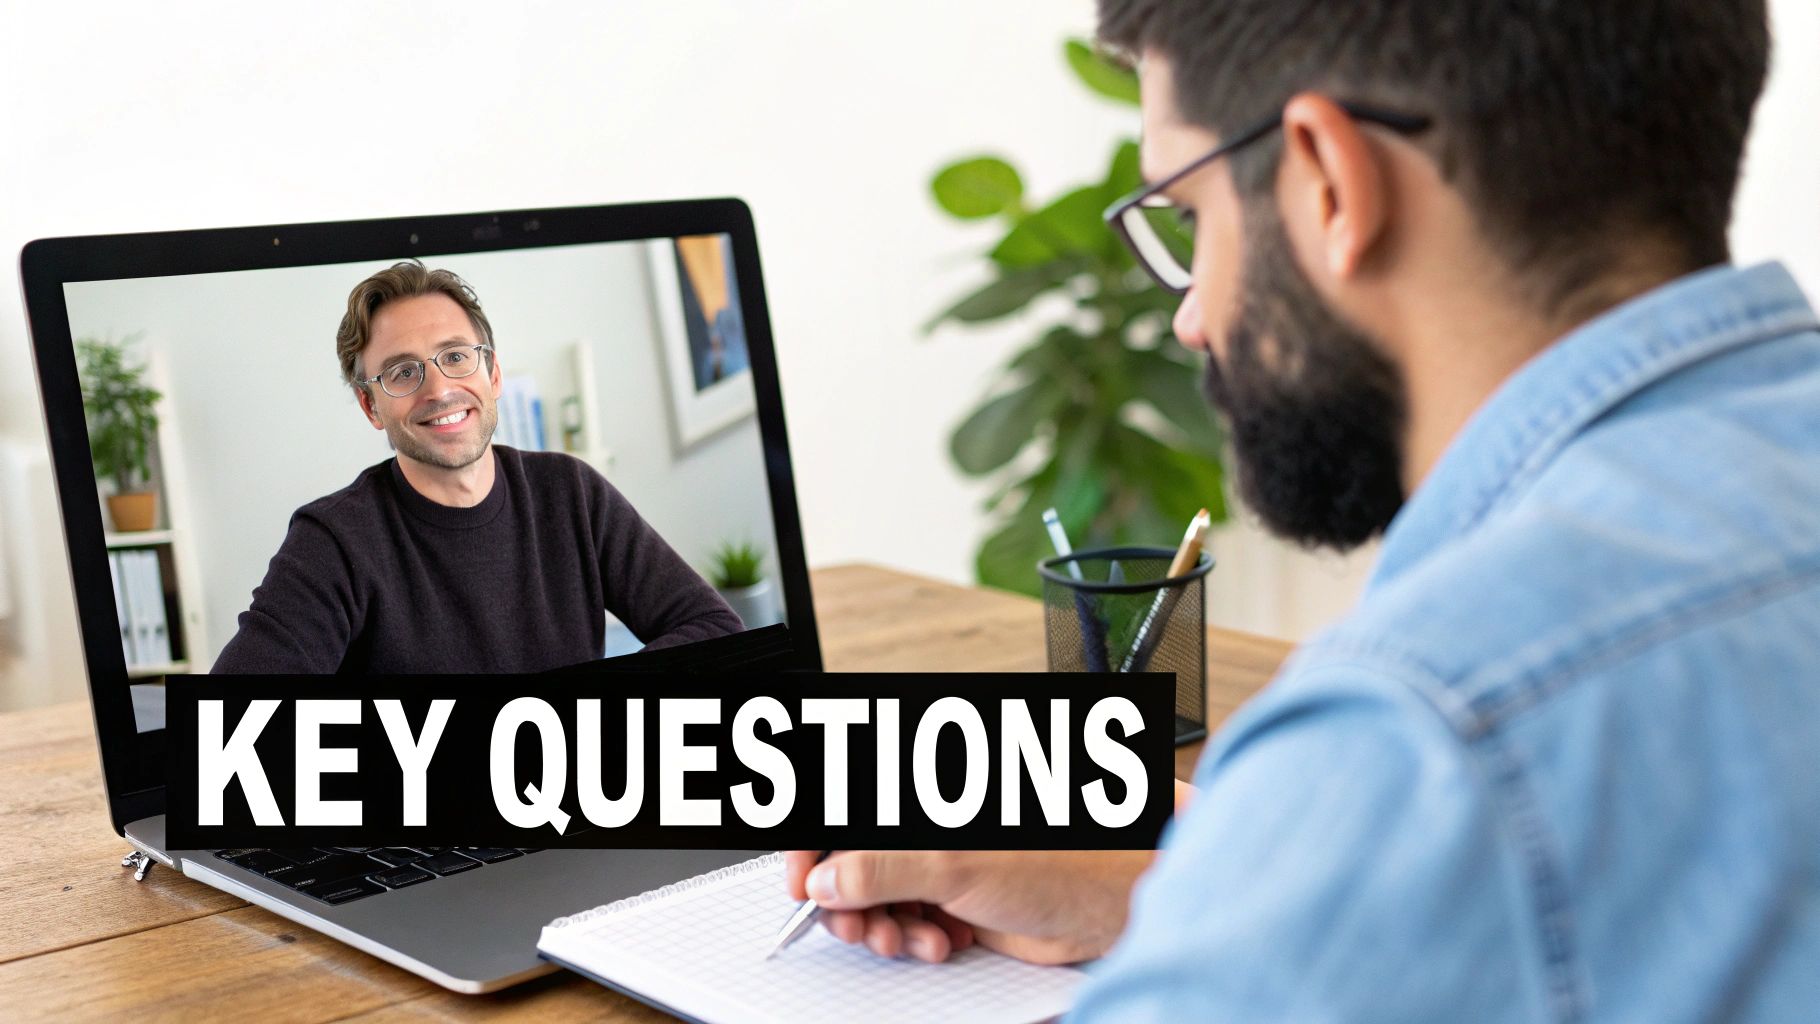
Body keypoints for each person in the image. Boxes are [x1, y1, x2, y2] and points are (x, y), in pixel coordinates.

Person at [788, 0, 1820, 1018]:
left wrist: (1282, 861)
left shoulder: (1429, 736)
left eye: (1190, 217)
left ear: (1327, 180)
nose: (1189, 316)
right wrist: (1194, 874)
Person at [213, 261, 742, 673]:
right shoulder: (333, 541)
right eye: (402, 372)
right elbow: (232, 726)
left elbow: (714, 627)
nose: (439, 389)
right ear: (371, 406)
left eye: (456, 356)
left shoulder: (569, 492)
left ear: (492, 373)